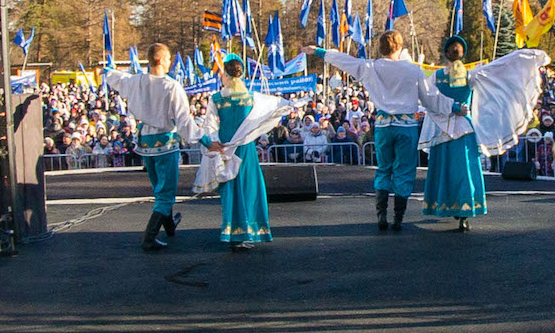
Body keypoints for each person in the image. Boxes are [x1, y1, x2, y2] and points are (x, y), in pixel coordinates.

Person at [311, 30, 453, 232]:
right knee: (404, 170)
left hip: (384, 125)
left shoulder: (371, 67)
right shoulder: (412, 70)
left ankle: (381, 215)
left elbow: (345, 61)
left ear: (381, 48)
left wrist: (319, 51)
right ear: (400, 46)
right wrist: (454, 107)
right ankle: (398, 218)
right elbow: (431, 98)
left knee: (384, 168)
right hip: (406, 127)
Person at [418, 38, 548, 231]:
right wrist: (525, 58)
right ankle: (464, 211)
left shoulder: (437, 77)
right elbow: (499, 69)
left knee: (445, 169)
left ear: (446, 54)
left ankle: (447, 205)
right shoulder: (470, 76)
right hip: (463, 129)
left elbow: (428, 99)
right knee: (464, 171)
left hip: (441, 130)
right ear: (463, 54)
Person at [104, 43, 203, 251]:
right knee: (166, 192)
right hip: (165, 143)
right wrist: (202, 138)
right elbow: (183, 120)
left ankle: (169, 226)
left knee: (160, 189)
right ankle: (149, 237)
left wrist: (107, 70)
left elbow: (115, 78)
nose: (169, 63)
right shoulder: (171, 86)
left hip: (145, 143)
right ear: (159, 60)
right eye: (167, 59)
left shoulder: (136, 81)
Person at [193, 56, 288, 248]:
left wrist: (213, 142)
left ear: (226, 75)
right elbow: (274, 109)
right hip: (245, 147)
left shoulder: (217, 99)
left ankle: (234, 232)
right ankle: (251, 231)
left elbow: (209, 124)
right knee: (249, 186)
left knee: (231, 188)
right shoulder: (252, 97)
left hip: (225, 147)